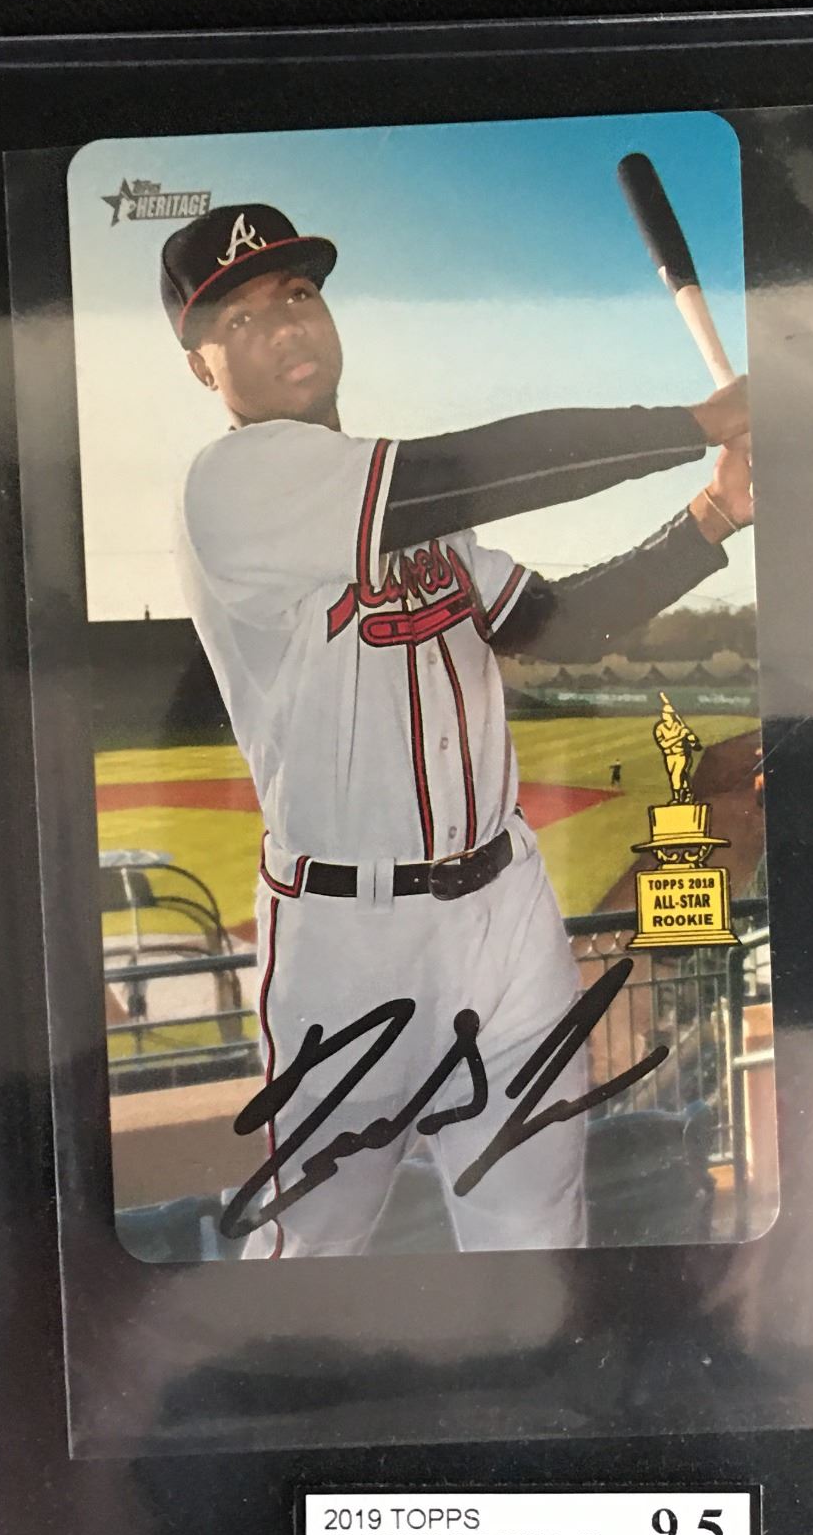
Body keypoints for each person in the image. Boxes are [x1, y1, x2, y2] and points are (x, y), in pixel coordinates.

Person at [159, 201, 754, 1258]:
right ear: (203, 367)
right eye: (238, 318)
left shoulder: (420, 510)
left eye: (297, 294)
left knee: (538, 1230)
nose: (284, 324)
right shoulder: (233, 486)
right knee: (314, 1249)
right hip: (347, 937)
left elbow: (557, 625)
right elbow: (472, 463)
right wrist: (698, 422)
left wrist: (715, 513)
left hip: (504, 909)